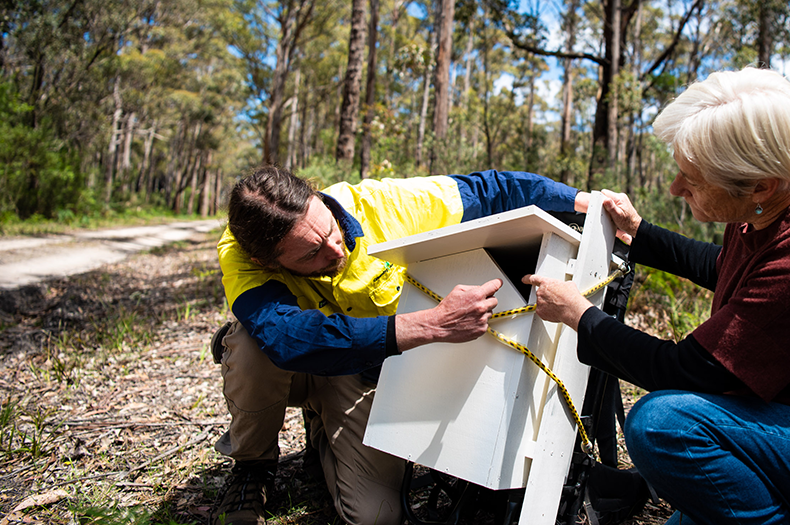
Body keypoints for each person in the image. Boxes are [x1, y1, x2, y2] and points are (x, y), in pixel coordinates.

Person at [210, 166, 589, 525]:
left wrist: (580, 201)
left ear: (317, 197)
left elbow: (493, 190)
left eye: (329, 229)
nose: (336, 251)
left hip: (359, 371)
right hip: (295, 363)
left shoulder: (386, 205)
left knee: (376, 516)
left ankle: (322, 429)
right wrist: (431, 324)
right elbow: (287, 339)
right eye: (312, 254)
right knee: (251, 344)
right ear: (266, 261)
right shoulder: (241, 254)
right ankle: (252, 466)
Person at [524, 67, 790, 525]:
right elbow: (721, 263)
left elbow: (689, 371)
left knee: (662, 424)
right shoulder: (761, 212)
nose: (675, 188)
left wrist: (579, 315)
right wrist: (640, 233)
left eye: (693, 177)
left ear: (761, 185)